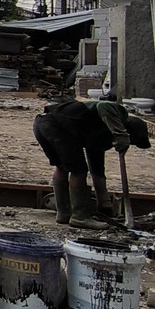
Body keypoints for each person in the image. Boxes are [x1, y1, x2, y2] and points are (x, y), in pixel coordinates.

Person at [33, 94, 139, 230]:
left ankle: (64, 213)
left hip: (42, 123)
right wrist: (121, 135)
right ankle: (80, 217)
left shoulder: (95, 124)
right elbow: (103, 105)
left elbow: (96, 162)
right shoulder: (118, 112)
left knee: (62, 168)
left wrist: (104, 201)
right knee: (79, 171)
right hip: (58, 126)